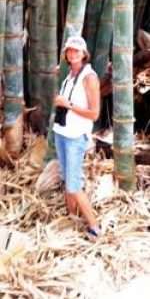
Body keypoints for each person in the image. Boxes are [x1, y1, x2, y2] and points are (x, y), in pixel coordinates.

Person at [53, 35, 101, 238]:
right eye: (69, 50)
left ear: (84, 53)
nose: (73, 53)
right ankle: (71, 218)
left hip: (75, 137)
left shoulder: (89, 77)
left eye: (77, 50)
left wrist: (68, 105)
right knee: (66, 179)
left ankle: (95, 227)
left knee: (73, 184)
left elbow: (94, 113)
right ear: (66, 53)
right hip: (62, 133)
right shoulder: (69, 76)